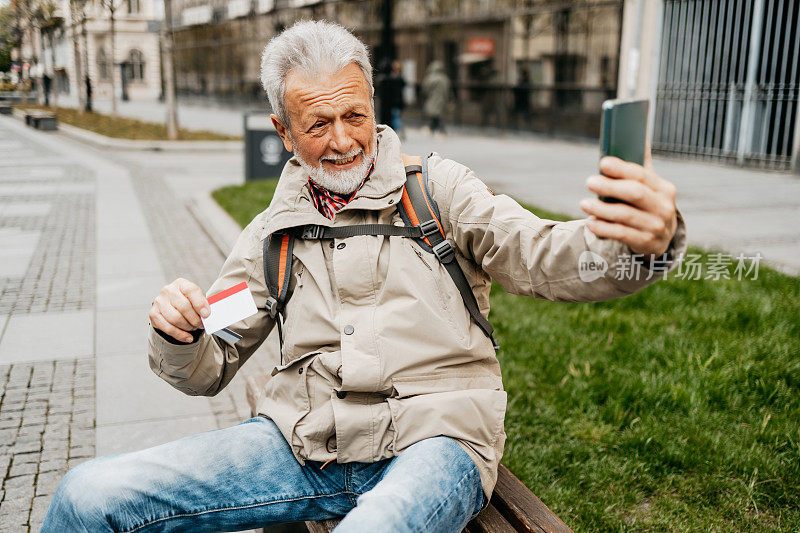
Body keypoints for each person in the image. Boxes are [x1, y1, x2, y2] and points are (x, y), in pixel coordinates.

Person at [42, 20, 687, 533]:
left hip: (437, 442)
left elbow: (542, 253)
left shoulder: (437, 191)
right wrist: (179, 335)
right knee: (87, 496)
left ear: (372, 102)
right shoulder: (273, 233)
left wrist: (636, 245)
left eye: (354, 114)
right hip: (306, 446)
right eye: (319, 123)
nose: (346, 138)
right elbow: (211, 362)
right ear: (283, 131)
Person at [422, 60, 450, 134]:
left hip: (433, 98)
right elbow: (448, 90)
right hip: (442, 99)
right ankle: (434, 129)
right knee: (437, 114)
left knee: (436, 115)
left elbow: (425, 88)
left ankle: (439, 130)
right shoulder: (444, 78)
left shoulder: (431, 78)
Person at [387, 60, 406, 137]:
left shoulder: (394, 79)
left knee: (395, 117)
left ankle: (400, 130)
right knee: (396, 116)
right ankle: (399, 130)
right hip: (398, 101)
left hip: (395, 101)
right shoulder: (400, 79)